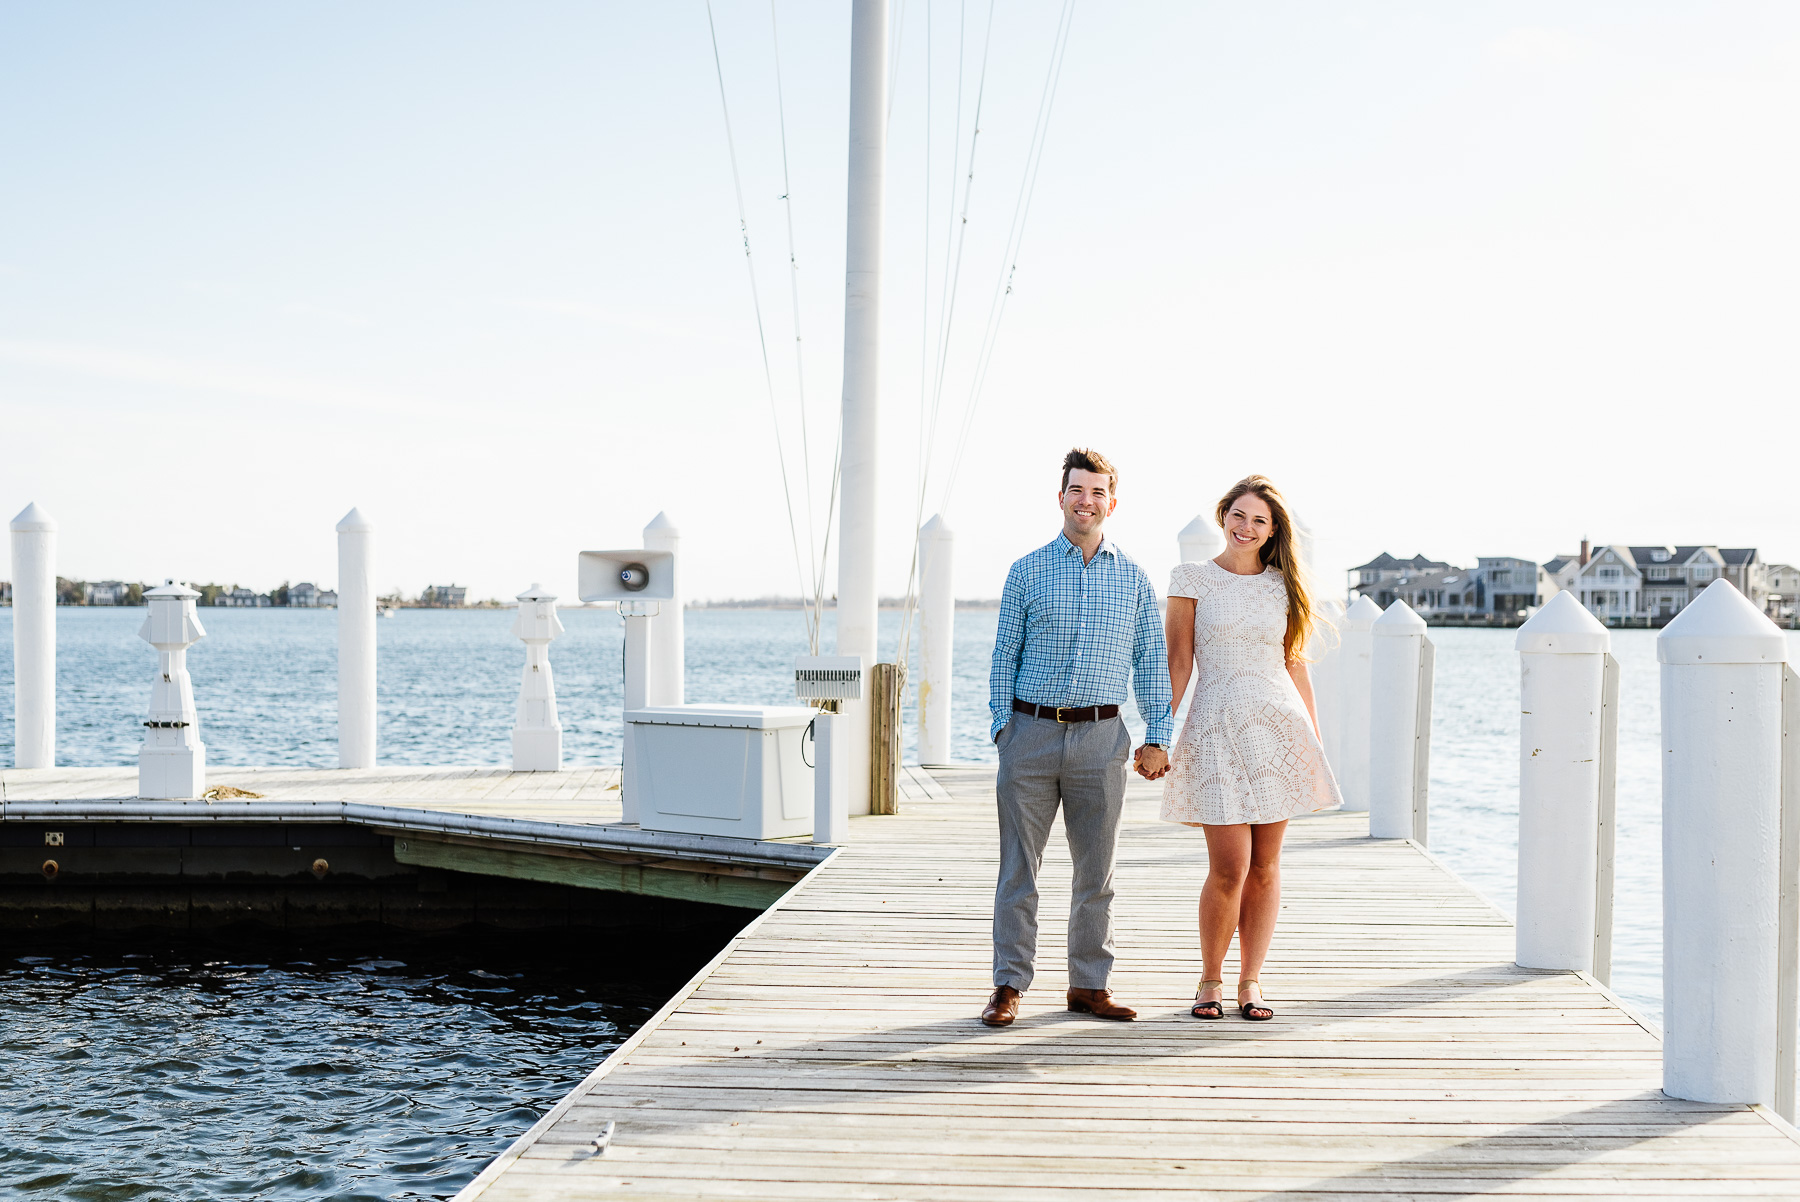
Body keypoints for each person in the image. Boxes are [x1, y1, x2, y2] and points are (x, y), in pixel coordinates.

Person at [980, 448, 1173, 1028]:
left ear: (1112, 502)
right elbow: (1002, 656)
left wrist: (1158, 735)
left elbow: (1151, 665)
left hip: (1102, 739)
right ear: (1060, 496)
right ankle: (1009, 985)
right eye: (1076, 490)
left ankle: (1089, 987)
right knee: (1019, 868)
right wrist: (1001, 728)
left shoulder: (1134, 577)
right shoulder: (1027, 570)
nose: (1086, 501)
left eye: (1097, 492)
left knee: (1098, 871)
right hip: (1030, 734)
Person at [1161, 474, 1341, 1022]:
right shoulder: (1191, 578)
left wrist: (1313, 738)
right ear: (1223, 516)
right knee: (1229, 867)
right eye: (1238, 515)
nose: (1246, 526)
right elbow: (1178, 663)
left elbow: (1293, 663)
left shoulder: (1283, 586)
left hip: (1278, 732)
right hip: (1215, 728)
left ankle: (1250, 982)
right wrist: (1156, 736)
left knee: (1265, 865)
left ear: (1271, 531)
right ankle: (1209, 979)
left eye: (1258, 520)